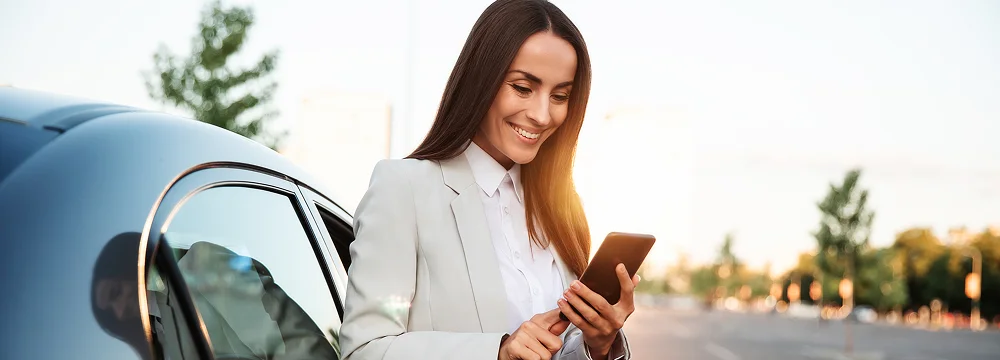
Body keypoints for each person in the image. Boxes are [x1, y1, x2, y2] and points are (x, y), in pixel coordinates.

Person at [339, 1, 638, 359]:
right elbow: (366, 349)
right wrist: (497, 352)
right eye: (523, 88)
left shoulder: (561, 209)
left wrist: (597, 345)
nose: (542, 115)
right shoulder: (405, 190)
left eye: (560, 96)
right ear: (481, 79)